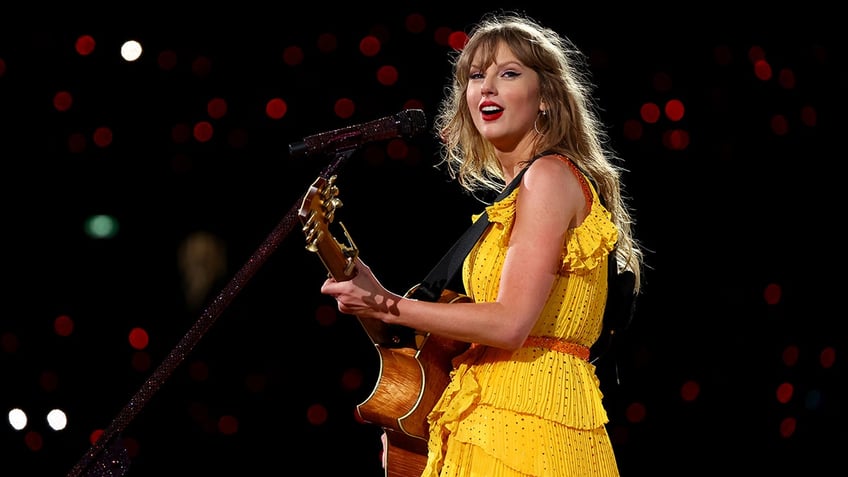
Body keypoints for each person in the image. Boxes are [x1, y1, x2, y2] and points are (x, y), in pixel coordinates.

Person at [320, 11, 644, 477]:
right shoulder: (510, 205)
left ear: (547, 98)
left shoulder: (550, 177)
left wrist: (388, 304)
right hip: (482, 417)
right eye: (476, 76)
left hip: (531, 423)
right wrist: (376, 298)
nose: (486, 87)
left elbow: (511, 323)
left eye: (508, 73)